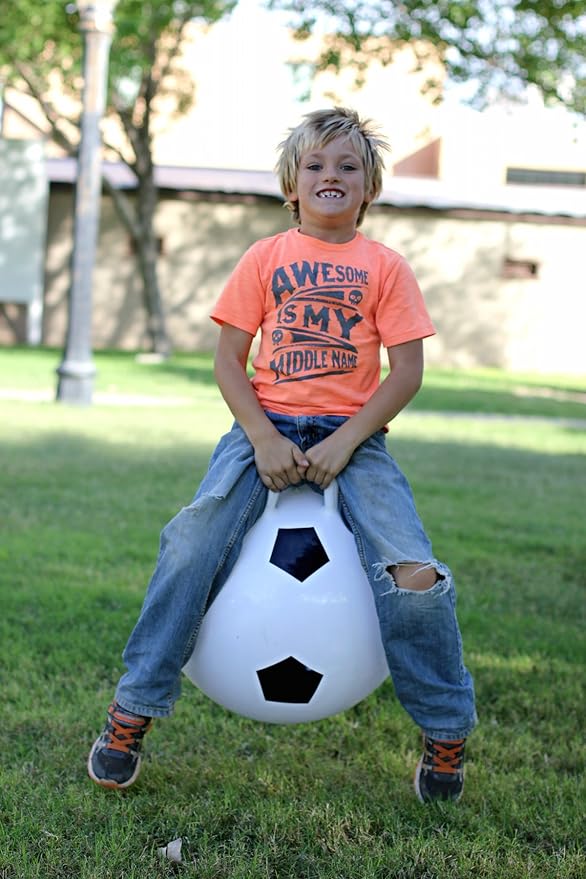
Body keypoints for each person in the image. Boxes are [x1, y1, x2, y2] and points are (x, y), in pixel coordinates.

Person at [88, 107, 476, 802]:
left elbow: (407, 372)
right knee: (190, 541)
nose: (332, 175)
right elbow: (229, 361)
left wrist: (346, 440)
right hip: (261, 427)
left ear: (370, 186)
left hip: (353, 436)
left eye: (348, 166)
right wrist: (264, 437)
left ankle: (445, 729)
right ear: (292, 183)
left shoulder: (386, 267)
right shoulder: (264, 257)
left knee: (415, 571)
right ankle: (133, 710)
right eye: (317, 164)